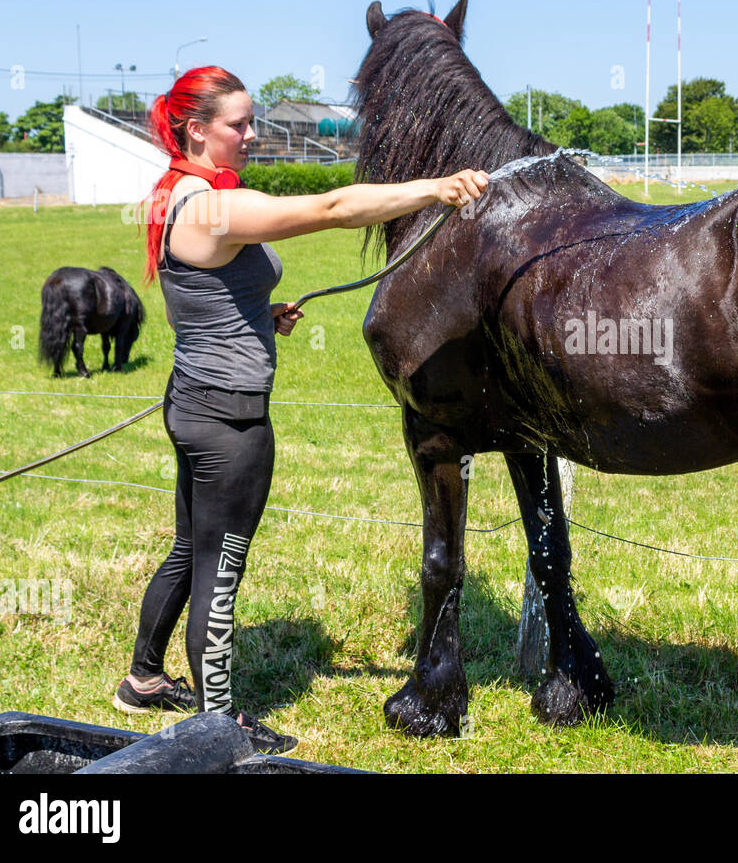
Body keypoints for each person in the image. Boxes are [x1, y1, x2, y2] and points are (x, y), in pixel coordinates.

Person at [114, 66, 487, 754]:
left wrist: (260, 313)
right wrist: (436, 188)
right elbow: (333, 207)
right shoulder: (210, 208)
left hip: (194, 400)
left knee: (188, 548)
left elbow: (195, 296)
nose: (252, 135)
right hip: (228, 421)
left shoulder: (177, 195)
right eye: (239, 124)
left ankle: (141, 679)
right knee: (218, 575)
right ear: (197, 130)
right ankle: (219, 729)